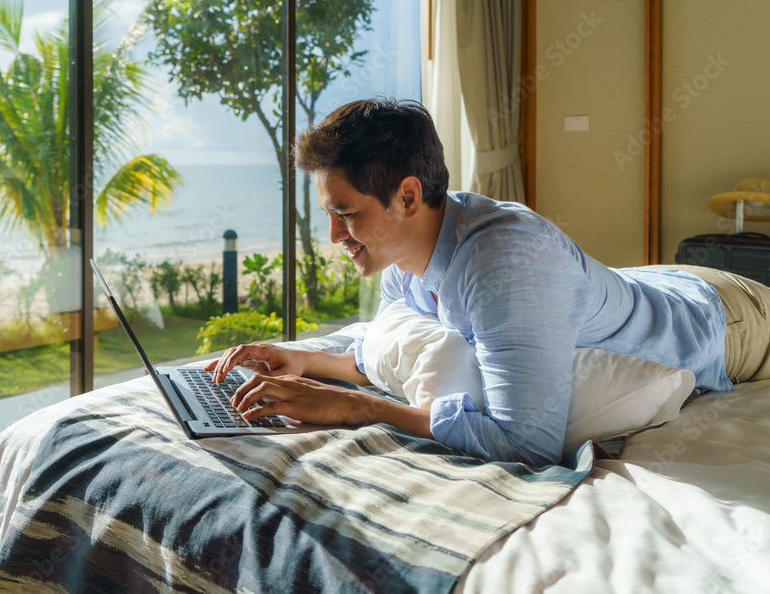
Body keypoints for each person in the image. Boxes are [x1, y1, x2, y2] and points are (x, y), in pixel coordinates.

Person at [205, 97, 770, 467]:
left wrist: (359, 408)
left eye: (347, 214)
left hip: (727, 314)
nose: (333, 235)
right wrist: (303, 362)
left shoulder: (505, 263)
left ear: (406, 196)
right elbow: (390, 352)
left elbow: (526, 443)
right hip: (640, 283)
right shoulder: (404, 256)